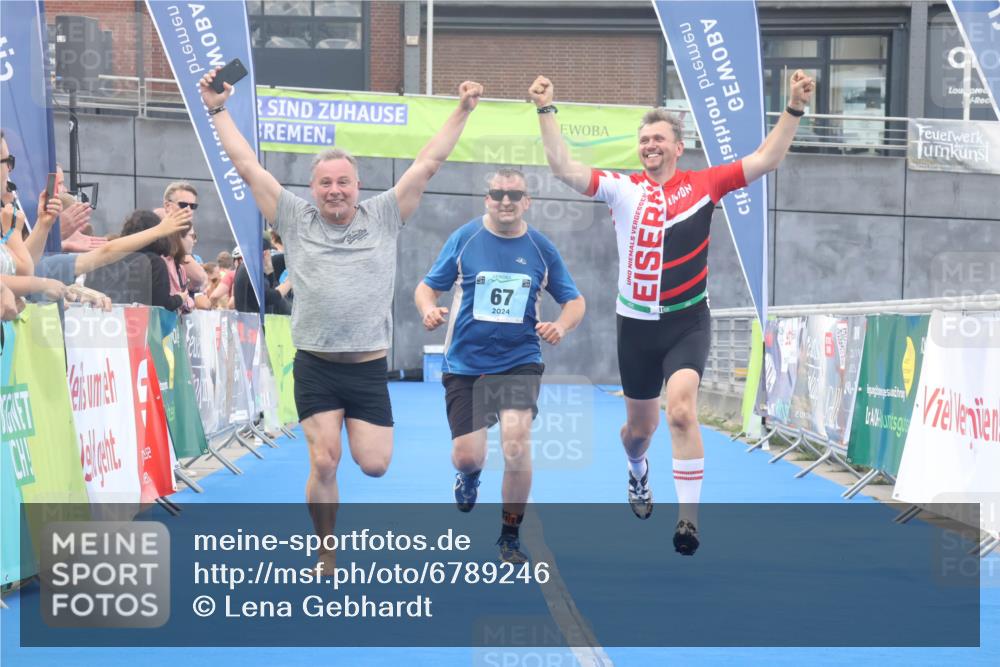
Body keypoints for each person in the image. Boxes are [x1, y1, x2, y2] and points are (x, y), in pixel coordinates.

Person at [199, 65, 484, 570]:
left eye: (344, 182)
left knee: (373, 466)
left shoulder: (385, 214)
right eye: (326, 183)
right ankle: (326, 549)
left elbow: (428, 163)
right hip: (317, 364)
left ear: (358, 185)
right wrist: (218, 109)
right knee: (324, 458)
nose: (335, 190)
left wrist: (461, 110)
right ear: (312, 189)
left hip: (368, 367)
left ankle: (342, 504)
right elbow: (246, 165)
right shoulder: (292, 216)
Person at [530, 70, 815, 555]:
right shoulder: (622, 188)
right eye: (644, 140)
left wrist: (793, 107)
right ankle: (638, 471)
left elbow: (767, 159)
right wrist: (545, 110)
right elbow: (563, 168)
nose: (650, 145)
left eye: (659, 138)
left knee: (681, 409)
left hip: (687, 319)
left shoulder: (706, 183)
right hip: (636, 327)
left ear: (678, 146)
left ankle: (688, 522)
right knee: (639, 432)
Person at [415, 168, 585, 563]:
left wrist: (560, 325)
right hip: (466, 363)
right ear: (486, 199)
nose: (505, 201)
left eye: (514, 195)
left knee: (515, 442)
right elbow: (426, 288)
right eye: (497, 194)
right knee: (468, 455)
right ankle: (469, 477)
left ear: (527, 201)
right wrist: (428, 310)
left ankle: (509, 534)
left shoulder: (541, 247)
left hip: (519, 359)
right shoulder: (465, 238)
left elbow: (575, 301)